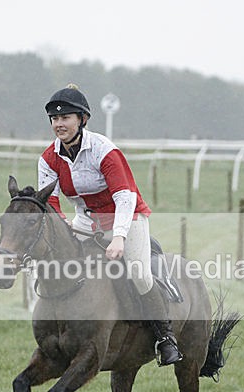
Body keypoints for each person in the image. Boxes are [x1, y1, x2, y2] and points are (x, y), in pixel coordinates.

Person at [37, 84, 182, 366]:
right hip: (87, 220)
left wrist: (119, 238)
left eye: (66, 117)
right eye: (55, 119)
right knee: (60, 263)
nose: (59, 123)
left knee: (138, 273)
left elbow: (124, 197)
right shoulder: (48, 159)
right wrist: (63, 229)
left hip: (126, 218)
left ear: (82, 119)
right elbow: (50, 203)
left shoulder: (104, 150)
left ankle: (165, 338)